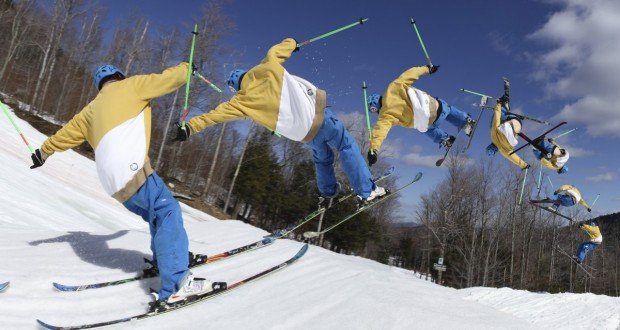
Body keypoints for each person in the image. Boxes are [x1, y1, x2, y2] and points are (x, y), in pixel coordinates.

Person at [29, 63, 218, 306]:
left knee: (155, 213)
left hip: (113, 184)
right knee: (167, 211)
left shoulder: (90, 110)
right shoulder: (130, 86)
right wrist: (187, 68)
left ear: (100, 85)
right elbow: (166, 79)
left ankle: (167, 259)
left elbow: (65, 134)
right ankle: (177, 284)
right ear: (119, 76)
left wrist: (43, 153)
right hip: (132, 169)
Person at [176, 38, 386, 204]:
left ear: (236, 87)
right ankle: (366, 191)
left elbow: (213, 116)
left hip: (305, 136)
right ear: (246, 73)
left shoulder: (240, 102)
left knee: (322, 158)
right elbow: (279, 48)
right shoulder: (266, 66)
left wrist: (189, 127)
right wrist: (292, 43)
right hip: (320, 117)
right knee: (345, 144)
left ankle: (328, 191)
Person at [365, 65, 476, 165]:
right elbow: (411, 73)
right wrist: (427, 69)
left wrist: (373, 150)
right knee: (445, 108)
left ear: (376, 109)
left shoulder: (385, 116)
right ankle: (466, 122)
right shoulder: (393, 87)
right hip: (436, 107)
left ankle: (445, 139)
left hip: (428, 122)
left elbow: (379, 132)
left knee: (423, 128)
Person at [485, 99, 530, 169]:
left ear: (496, 151)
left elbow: (513, 158)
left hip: (517, 131)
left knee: (511, 138)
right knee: (498, 122)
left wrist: (524, 165)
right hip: (511, 122)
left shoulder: (503, 151)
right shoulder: (493, 136)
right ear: (490, 145)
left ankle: (515, 121)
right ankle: (505, 107)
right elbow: (496, 119)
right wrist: (499, 105)